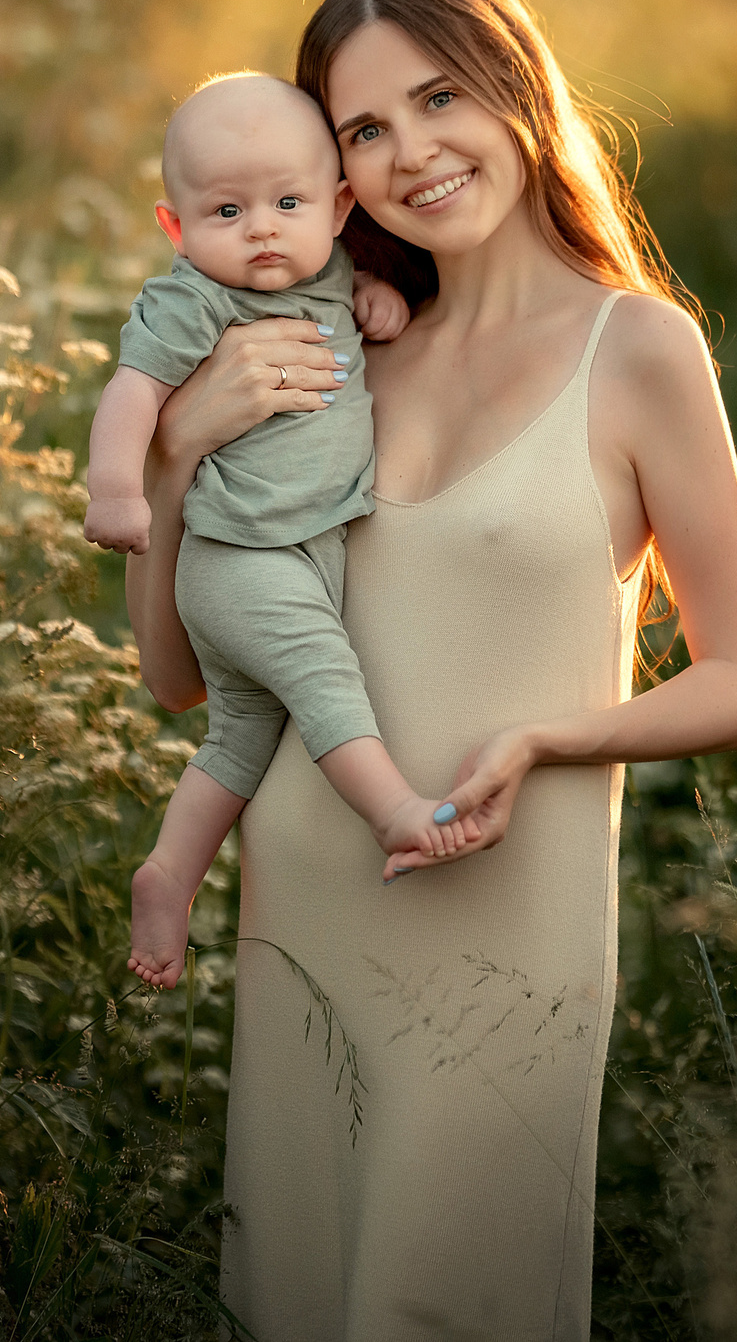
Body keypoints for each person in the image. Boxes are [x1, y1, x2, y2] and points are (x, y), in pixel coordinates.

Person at [123, 0, 737, 1340]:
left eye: (440, 97)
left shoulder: (637, 350)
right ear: (336, 170)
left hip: (505, 923)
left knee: (444, 1300)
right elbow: (183, 678)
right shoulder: (333, 355)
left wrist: (550, 734)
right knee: (304, 1299)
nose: (413, 151)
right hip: (307, 906)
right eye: (365, 129)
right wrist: (180, 444)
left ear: (517, 93)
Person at [84, 72, 475, 992]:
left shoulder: (330, 272)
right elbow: (130, 393)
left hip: (299, 555)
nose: (261, 228)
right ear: (175, 228)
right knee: (322, 673)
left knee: (240, 739)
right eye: (226, 210)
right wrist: (117, 492)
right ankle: (393, 811)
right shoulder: (196, 302)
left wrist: (376, 296)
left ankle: (169, 875)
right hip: (241, 558)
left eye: (288, 202)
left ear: (338, 210)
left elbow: (347, 304)